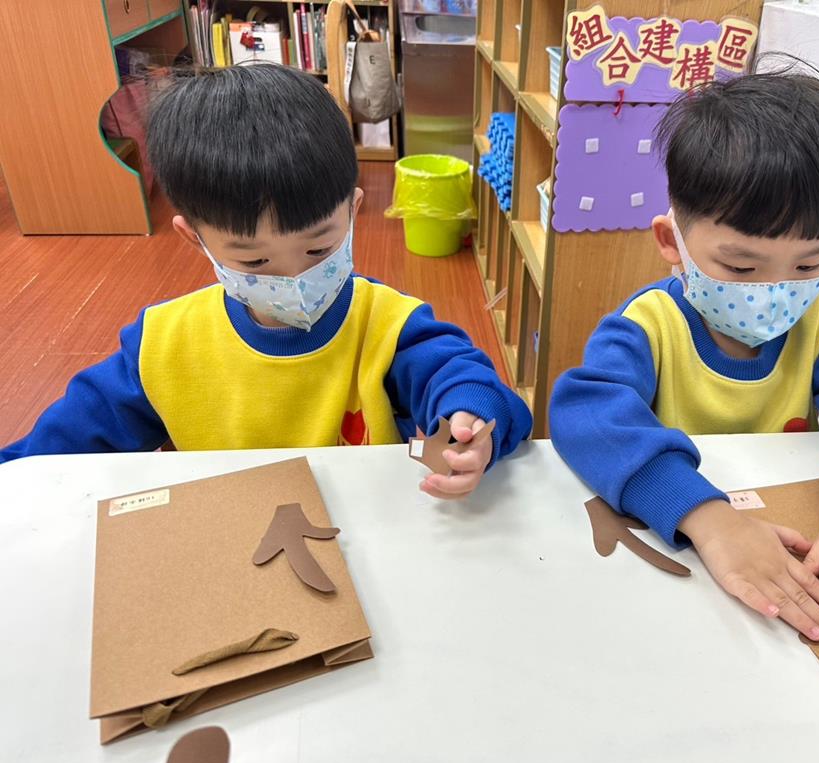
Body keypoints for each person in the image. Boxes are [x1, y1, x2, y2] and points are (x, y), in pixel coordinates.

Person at [548, 69, 819, 645]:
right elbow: (587, 417)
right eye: (740, 267)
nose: (774, 290)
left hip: (780, 549)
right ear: (671, 242)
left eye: (810, 264)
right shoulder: (648, 327)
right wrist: (708, 520)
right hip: (679, 557)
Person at [1, 65, 532, 500]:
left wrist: (469, 419)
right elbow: (60, 448)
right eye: (254, 260)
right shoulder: (164, 345)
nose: (294, 276)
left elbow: (458, 375)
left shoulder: (388, 324)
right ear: (195, 240)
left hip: (364, 535)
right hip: (227, 550)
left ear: (353, 211)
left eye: (319, 248)